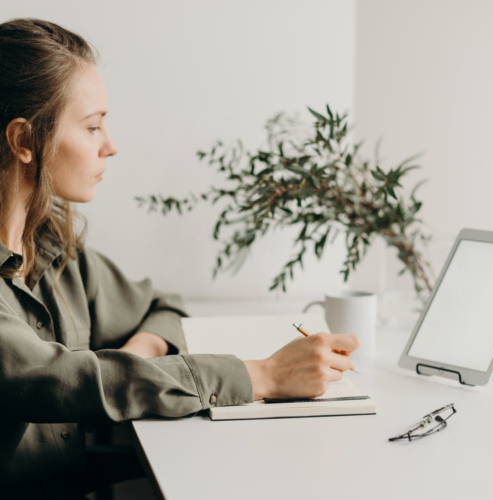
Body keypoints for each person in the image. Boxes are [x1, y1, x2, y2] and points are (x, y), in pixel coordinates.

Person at [0, 18, 360, 498]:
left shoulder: (54, 251)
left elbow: (162, 307)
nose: (111, 145)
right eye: (92, 126)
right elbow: (66, 381)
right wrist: (266, 376)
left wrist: (132, 359)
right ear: (24, 141)